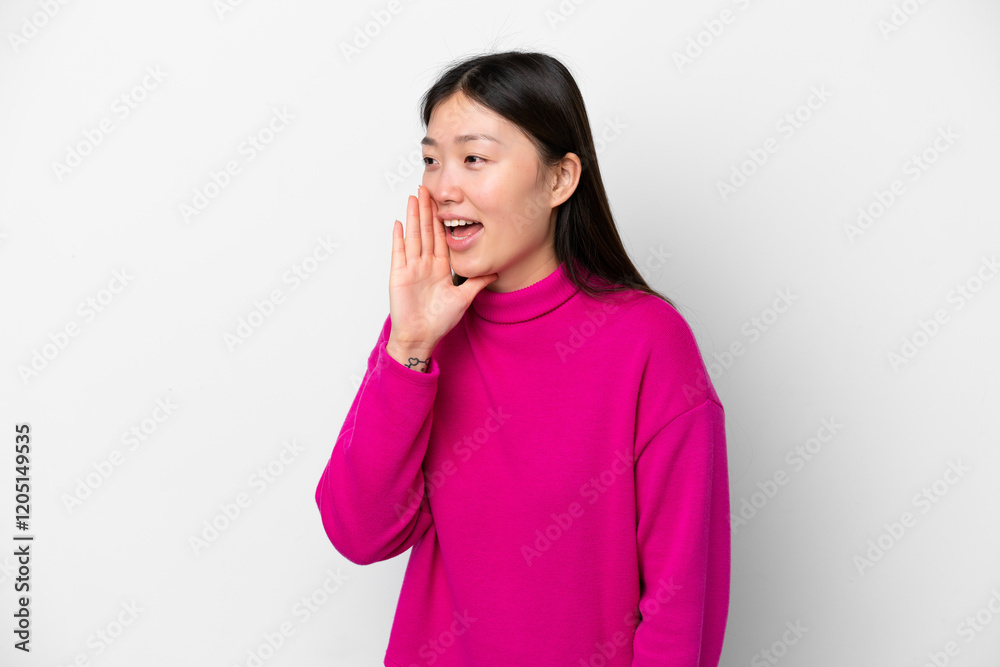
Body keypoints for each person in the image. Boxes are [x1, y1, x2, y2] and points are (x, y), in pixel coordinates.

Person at [314, 50, 730, 666]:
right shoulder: (424, 335)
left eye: (474, 159)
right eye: (431, 160)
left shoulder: (647, 342)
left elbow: (679, 602)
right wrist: (408, 348)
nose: (443, 187)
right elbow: (359, 533)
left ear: (560, 179)